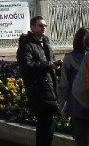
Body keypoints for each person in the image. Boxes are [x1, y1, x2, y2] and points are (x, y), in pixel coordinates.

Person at [17, 15, 60, 146]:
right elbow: (26, 65)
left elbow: (49, 62)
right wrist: (47, 65)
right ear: (32, 27)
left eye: (45, 26)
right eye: (40, 26)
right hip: (38, 90)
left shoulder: (45, 42)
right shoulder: (26, 45)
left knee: (47, 124)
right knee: (46, 123)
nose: (44, 28)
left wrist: (57, 67)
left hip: (49, 87)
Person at [57, 27, 89, 145]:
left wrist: (62, 107)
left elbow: (64, 85)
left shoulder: (69, 59)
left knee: (81, 141)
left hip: (76, 105)